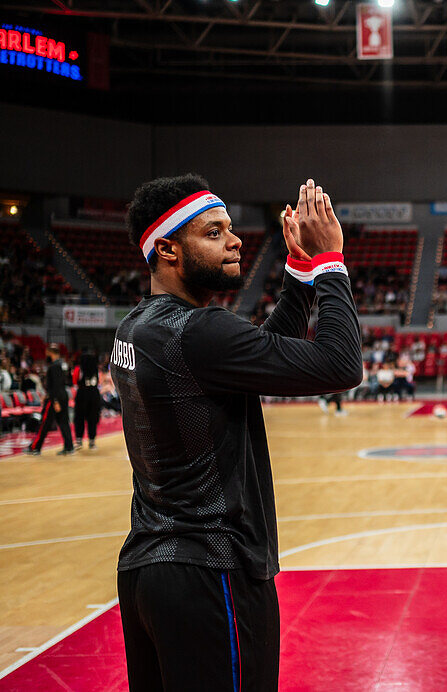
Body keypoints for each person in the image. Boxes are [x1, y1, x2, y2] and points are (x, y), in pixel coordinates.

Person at [110, 176, 361, 692]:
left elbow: (258, 357)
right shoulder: (201, 331)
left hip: (146, 573)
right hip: (211, 571)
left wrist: (296, 272)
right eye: (214, 232)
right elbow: (341, 364)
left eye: (230, 229)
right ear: (168, 249)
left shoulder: (135, 329)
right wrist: (331, 263)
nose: (236, 240)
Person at [23, 343, 75, 456]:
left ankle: (35, 447)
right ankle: (69, 446)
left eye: (47, 352)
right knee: (63, 422)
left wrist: (54, 400)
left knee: (45, 423)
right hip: (63, 395)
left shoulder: (54, 366)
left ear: (51, 352)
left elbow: (54, 385)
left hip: (55, 398)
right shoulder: (63, 364)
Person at [73, 350, 103, 449]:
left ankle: (79, 440)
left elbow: (75, 381)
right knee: (93, 418)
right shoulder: (96, 369)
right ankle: (92, 441)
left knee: (79, 418)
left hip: (82, 394)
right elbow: (99, 381)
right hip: (94, 394)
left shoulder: (79, 368)